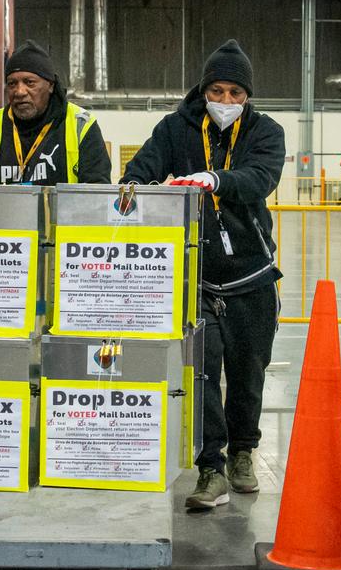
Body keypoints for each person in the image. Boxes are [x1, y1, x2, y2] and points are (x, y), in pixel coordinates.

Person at [121, 39, 285, 512]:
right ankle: (210, 466)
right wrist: (148, 188)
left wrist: (215, 180)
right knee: (205, 372)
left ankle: (242, 452)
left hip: (251, 276)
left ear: (247, 96)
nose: (226, 103)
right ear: (203, 90)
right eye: (217, 91)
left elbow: (260, 178)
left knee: (248, 371)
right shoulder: (175, 129)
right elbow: (139, 170)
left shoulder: (265, 131)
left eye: (236, 93)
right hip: (194, 277)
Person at [0, 40, 111, 185]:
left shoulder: (81, 126)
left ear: (50, 85)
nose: (19, 91)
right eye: (12, 83)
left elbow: (96, 196)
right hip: (4, 213)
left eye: (29, 82)